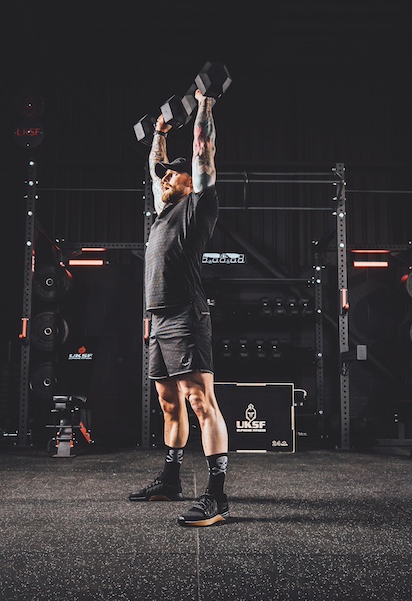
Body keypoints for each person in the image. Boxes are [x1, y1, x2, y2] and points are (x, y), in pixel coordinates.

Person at [129, 89, 230, 527]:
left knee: (199, 400)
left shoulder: (198, 205)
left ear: (193, 182)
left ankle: (217, 496)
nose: (167, 177)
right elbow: (155, 171)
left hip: (185, 316)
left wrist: (205, 104)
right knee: (168, 401)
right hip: (157, 318)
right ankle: (171, 481)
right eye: (167, 176)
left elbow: (204, 152)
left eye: (176, 175)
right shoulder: (161, 213)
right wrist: (159, 133)